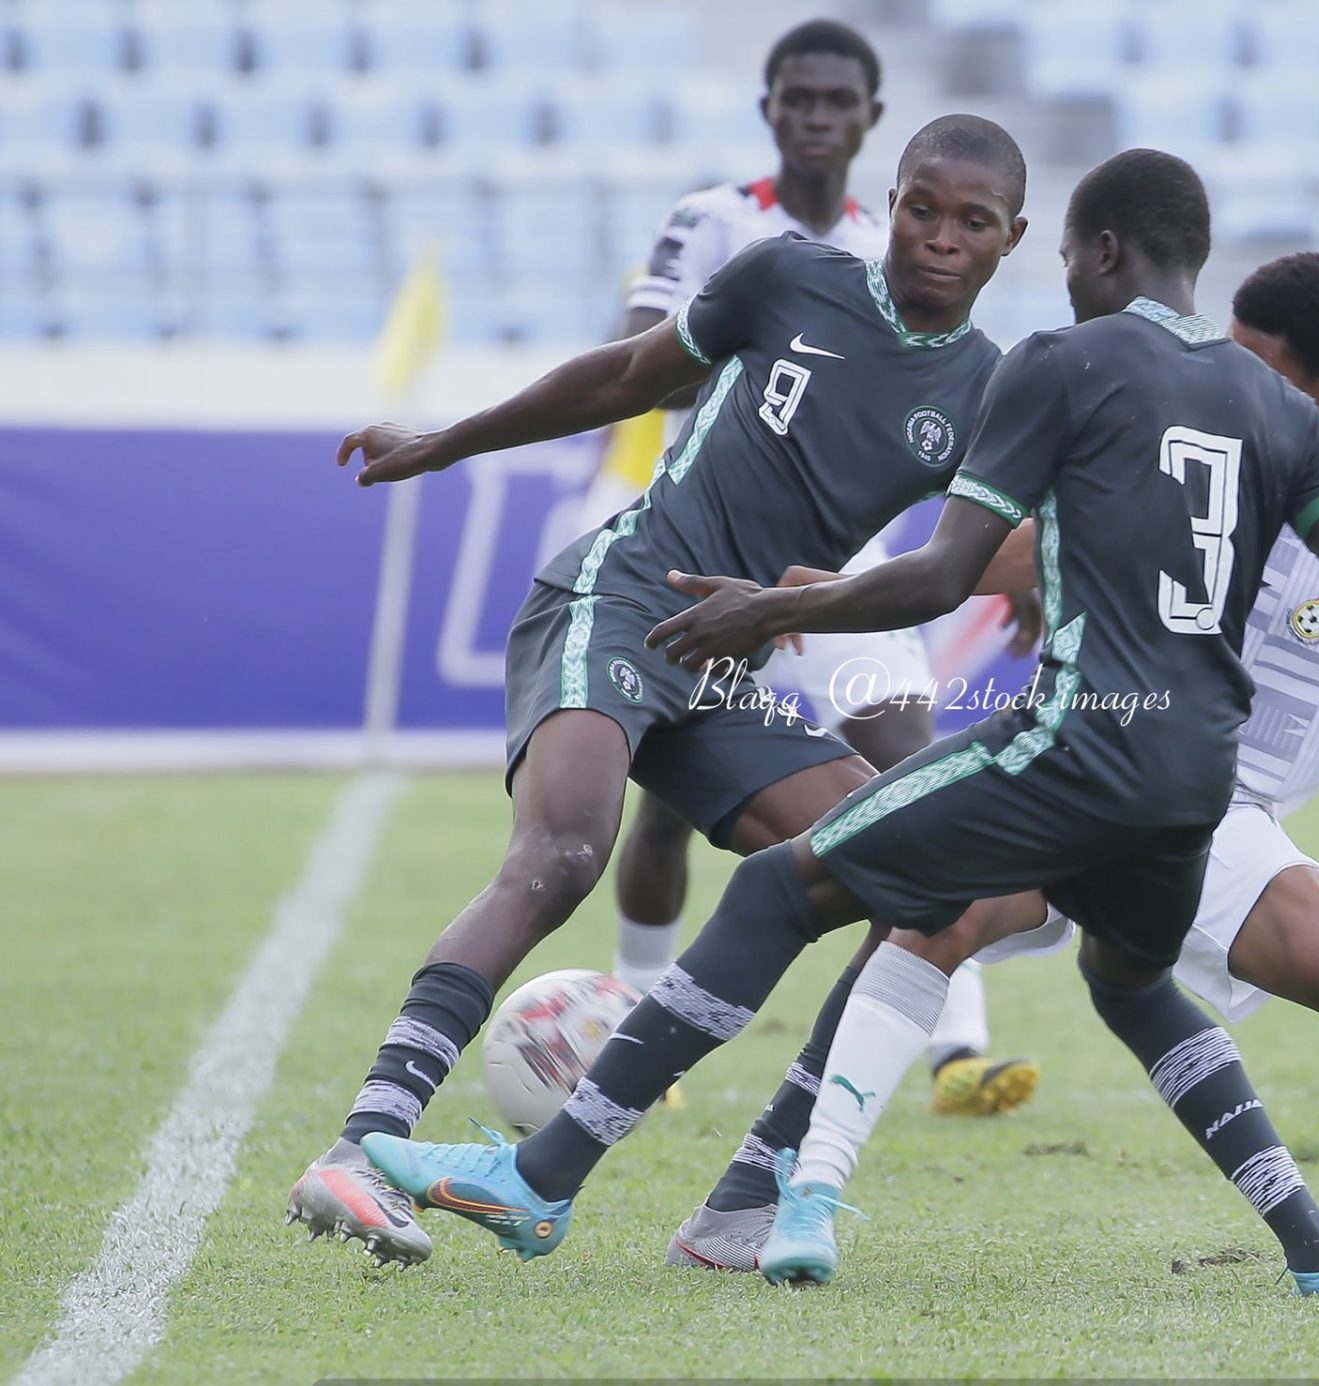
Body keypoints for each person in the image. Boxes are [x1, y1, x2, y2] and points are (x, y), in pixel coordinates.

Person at [358, 148, 1319, 1299]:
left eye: (1058, 250)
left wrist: (777, 606)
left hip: (1070, 751)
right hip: (1191, 786)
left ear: (1094, 251)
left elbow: (940, 576)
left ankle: (543, 1178)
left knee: (783, 885)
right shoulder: (1274, 410)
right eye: (923, 210)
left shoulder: (1057, 361)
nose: (1059, 277)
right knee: (1128, 983)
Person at [286, 115, 1034, 1268]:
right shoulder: (789, 277)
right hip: (621, 595)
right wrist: (448, 441)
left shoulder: (990, 391)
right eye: (922, 208)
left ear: (1010, 241)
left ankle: (749, 1196)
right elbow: (632, 374)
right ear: (890, 202)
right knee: (565, 854)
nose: (939, 238)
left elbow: (1005, 549)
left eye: (971, 223)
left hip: (727, 661)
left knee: (906, 884)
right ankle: (362, 1141)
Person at [776, 252, 1319, 1282]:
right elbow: (1009, 551)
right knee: (935, 921)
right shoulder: (1175, 456)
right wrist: (835, 592)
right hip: (1092, 760)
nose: (1216, 377)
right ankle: (808, 1197)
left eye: (1257, 366)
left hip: (1222, 816)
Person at [584, 20, 1038, 1123]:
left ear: (873, 120)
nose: (818, 115)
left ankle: (956, 1046)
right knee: (665, 804)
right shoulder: (717, 220)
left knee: (916, 777)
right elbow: (646, 355)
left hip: (840, 558)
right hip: (691, 536)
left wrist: (1009, 560)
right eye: (799, 96)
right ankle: (650, 1018)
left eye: (840, 99)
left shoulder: (909, 235)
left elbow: (939, 421)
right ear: (771, 107)